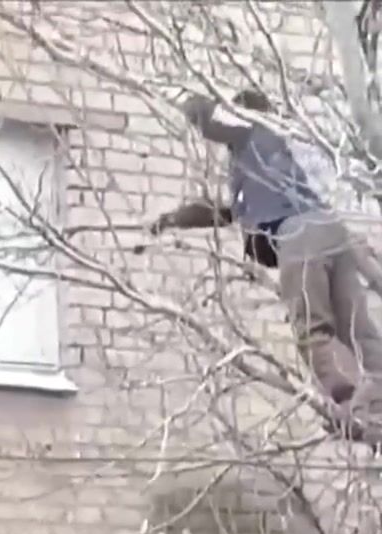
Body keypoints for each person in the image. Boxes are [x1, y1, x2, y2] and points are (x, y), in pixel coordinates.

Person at [136, 88, 382, 440]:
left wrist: (179, 95)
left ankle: (350, 405)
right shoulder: (268, 163)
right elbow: (224, 213)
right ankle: (377, 410)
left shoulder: (253, 129)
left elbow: (207, 115)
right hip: (331, 231)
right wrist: (171, 219)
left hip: (300, 235)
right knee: (358, 330)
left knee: (313, 331)